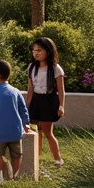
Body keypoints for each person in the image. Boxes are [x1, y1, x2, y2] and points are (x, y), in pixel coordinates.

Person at [0, 59, 32, 183]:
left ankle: (0, 176)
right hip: (15, 131)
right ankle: (13, 177)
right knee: (17, 154)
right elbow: (23, 108)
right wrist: (26, 123)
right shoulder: (15, 91)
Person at [25, 36, 65, 167]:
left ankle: (58, 159)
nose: (35, 53)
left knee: (47, 132)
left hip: (49, 101)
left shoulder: (55, 68)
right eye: (34, 50)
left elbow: (61, 90)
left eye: (39, 50)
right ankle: (36, 157)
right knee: (35, 131)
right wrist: (27, 106)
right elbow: (30, 89)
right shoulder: (31, 67)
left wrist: (61, 106)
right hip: (36, 100)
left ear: (48, 51)